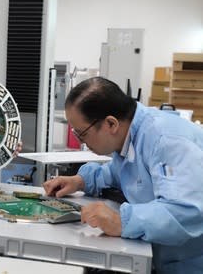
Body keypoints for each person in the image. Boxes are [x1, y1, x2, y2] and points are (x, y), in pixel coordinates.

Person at [43, 77, 203, 273]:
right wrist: (80, 180)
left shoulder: (166, 140)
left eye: (81, 134)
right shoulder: (132, 136)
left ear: (111, 123)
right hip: (164, 258)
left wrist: (122, 221)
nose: (81, 142)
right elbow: (124, 174)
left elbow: (187, 212)